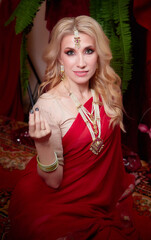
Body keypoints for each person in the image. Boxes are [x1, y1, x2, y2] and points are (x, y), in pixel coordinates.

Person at [8, 15, 140, 240]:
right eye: (70, 52)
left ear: (99, 54)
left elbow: (111, 149)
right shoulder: (48, 106)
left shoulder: (109, 92)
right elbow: (54, 181)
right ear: (59, 58)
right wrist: (42, 143)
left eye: (88, 50)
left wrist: (116, 185)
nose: (81, 63)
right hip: (60, 194)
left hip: (101, 191)